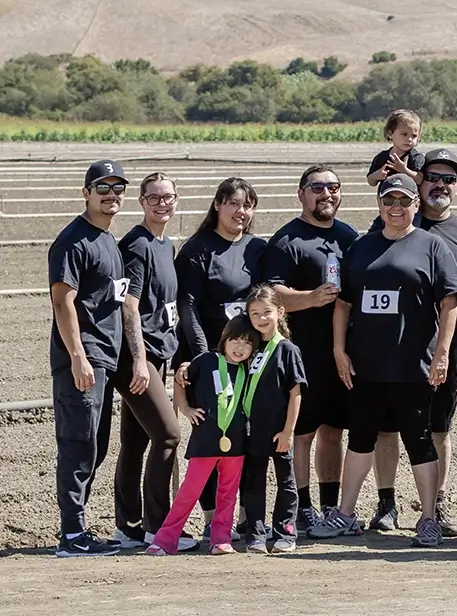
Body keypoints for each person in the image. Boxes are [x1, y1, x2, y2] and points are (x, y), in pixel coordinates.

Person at [311, 174, 457, 547]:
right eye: (389, 200)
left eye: (403, 200)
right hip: (367, 366)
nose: (396, 207)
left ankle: (428, 518)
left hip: (413, 367)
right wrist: (339, 350)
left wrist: (442, 353)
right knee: (361, 437)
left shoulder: (431, 247)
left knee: (420, 440)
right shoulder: (362, 248)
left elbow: (450, 304)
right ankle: (346, 514)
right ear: (379, 205)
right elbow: (344, 304)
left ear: (415, 204)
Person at [260, 165, 359, 536]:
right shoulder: (288, 240)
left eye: (333, 187)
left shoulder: (348, 237)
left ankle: (330, 506)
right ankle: (301, 508)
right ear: (301, 194)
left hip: (344, 352)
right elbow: (273, 293)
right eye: (317, 187)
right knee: (302, 432)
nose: (326, 194)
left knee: (334, 431)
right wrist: (312, 298)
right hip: (302, 354)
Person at [48, 160, 135, 556]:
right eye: (103, 188)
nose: (111, 195)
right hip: (82, 360)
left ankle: (77, 527)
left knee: (96, 444)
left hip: (105, 358)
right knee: (78, 443)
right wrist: (78, 356)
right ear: (86, 193)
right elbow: (63, 303)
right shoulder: (73, 241)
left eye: (117, 188)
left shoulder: (108, 241)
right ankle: (71, 535)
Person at [175, 176, 264, 538]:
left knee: (245, 439)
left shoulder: (257, 249)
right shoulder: (198, 249)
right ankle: (212, 518)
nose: (240, 212)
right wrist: (203, 358)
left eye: (246, 205)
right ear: (218, 205)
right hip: (212, 360)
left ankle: (243, 515)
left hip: (248, 359)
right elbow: (189, 306)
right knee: (211, 440)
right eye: (233, 203)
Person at [110, 172, 185, 551]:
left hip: (159, 354)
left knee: (136, 441)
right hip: (138, 359)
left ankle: (128, 528)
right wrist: (139, 360)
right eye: (154, 198)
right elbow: (130, 304)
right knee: (169, 435)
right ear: (141, 202)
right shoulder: (137, 246)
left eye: (168, 197)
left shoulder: (164, 245)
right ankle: (159, 527)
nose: (162, 203)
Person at [413, 148, 457, 537]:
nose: (440, 185)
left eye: (448, 179)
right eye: (433, 177)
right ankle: (386, 501)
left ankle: (438, 503)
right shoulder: (398, 218)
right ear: (419, 180)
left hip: (445, 347)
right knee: (389, 428)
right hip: (397, 348)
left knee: (440, 427)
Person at [147, 316, 258, 556]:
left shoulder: (247, 370)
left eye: (248, 343)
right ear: (224, 339)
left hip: (236, 444)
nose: (240, 348)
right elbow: (180, 380)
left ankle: (221, 539)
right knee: (189, 492)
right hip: (205, 443)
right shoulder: (206, 361)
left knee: (228, 495)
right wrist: (185, 408)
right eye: (236, 340)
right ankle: (165, 539)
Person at [236, 286, 306, 553]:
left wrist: (289, 431)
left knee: (286, 482)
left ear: (280, 312)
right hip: (253, 431)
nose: (261, 319)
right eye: (255, 314)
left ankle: (285, 532)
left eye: (266, 312)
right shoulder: (250, 349)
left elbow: (295, 393)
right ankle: (255, 533)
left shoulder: (287, 350)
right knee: (253, 482)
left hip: (278, 431)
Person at [365, 109, 423, 191]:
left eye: (414, 136)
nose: (409, 139)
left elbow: (420, 179)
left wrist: (405, 170)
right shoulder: (382, 157)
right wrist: (377, 175)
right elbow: (371, 181)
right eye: (404, 134)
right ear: (390, 134)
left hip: (408, 200)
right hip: (387, 200)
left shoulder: (416, 157)